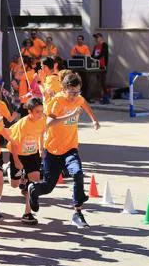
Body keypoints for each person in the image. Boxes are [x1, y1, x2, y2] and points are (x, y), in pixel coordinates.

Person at [28, 73, 100, 228]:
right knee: (48, 186)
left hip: (70, 147)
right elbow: (49, 123)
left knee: (78, 173)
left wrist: (94, 120)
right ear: (64, 89)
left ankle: (77, 212)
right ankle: (33, 189)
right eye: (72, 92)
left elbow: (84, 103)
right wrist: (71, 115)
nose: (75, 96)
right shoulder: (57, 101)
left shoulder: (78, 98)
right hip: (53, 150)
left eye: (78, 92)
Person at [7, 97, 46, 225]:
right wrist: (16, 161)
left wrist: (41, 147)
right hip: (18, 153)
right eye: (37, 112)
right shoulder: (23, 124)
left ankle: (27, 213)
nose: (40, 114)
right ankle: (9, 169)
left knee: (34, 180)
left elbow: (41, 133)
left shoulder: (42, 119)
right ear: (30, 112)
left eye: (41, 111)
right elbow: (13, 144)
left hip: (33, 154)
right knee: (14, 184)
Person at [92, 33, 109, 104]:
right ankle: (99, 97)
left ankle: (106, 98)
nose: (96, 39)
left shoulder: (104, 45)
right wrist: (90, 58)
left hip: (102, 66)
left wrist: (95, 58)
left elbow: (103, 54)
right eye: (95, 38)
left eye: (97, 37)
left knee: (102, 82)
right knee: (97, 82)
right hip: (96, 66)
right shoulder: (95, 46)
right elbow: (93, 55)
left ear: (101, 38)